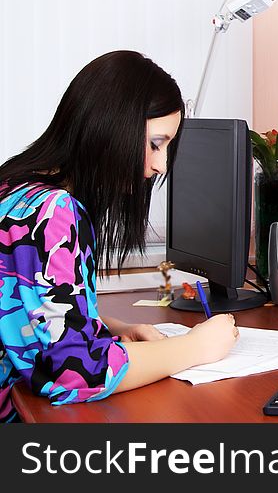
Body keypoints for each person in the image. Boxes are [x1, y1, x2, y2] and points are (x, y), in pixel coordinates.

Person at [0, 50, 239, 423]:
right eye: (156, 143)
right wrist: (196, 347)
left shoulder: (16, 186)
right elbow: (74, 373)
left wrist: (114, 328)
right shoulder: (54, 212)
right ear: (111, 127)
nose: (161, 165)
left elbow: (33, 310)